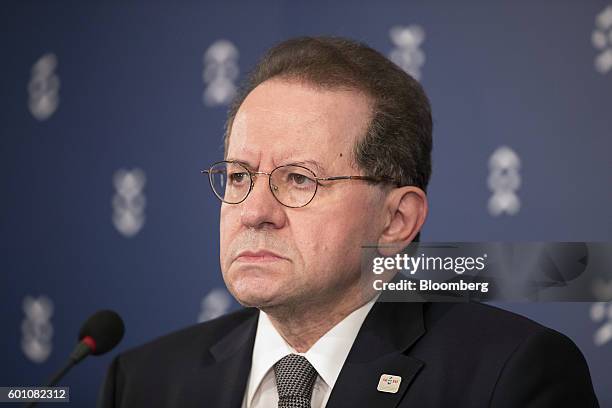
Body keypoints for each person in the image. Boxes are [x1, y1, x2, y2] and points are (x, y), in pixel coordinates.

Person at [98, 36, 599, 407]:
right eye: (238, 176)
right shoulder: (145, 382)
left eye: (299, 180)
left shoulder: (508, 376)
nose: (254, 212)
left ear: (396, 219)